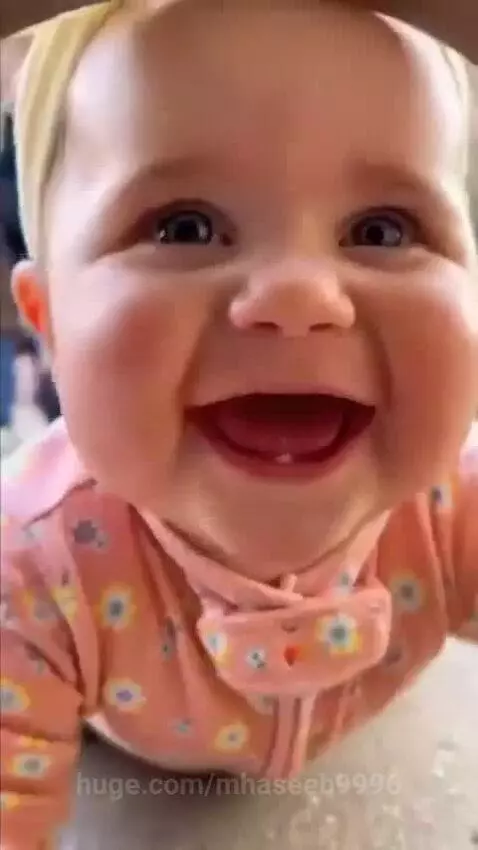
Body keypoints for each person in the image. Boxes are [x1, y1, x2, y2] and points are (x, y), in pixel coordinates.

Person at [0, 2, 477, 847]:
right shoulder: (34, 567)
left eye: (381, 229)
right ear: (50, 323)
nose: (297, 297)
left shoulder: (453, 513)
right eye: (183, 227)